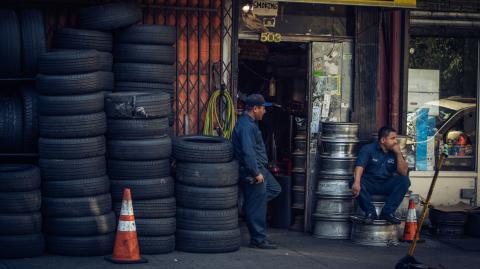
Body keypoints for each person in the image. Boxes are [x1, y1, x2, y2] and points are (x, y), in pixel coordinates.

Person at [232, 94, 281, 249]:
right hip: (253, 170)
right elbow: (247, 152)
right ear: (255, 109)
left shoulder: (251, 123)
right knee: (257, 205)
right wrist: (255, 172)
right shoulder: (246, 126)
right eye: (263, 108)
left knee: (275, 188)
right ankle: (258, 240)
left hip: (260, 168)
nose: (264, 111)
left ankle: (250, 207)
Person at [352, 126, 410, 224]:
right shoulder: (368, 149)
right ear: (383, 140)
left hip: (386, 183)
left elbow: (403, 172)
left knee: (404, 181)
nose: (395, 141)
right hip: (369, 183)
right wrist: (356, 182)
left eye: (395, 138)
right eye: (392, 138)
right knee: (353, 182)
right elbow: (360, 166)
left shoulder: (395, 152)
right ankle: (370, 212)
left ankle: (388, 212)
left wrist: (399, 154)